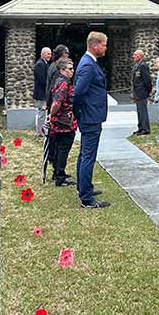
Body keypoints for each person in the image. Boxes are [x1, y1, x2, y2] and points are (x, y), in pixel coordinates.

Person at [73, 32, 110, 209]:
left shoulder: (88, 62)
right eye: (104, 44)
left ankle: (83, 188)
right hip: (90, 116)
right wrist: (78, 113)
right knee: (89, 156)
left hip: (90, 115)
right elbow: (78, 93)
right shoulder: (88, 65)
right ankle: (86, 198)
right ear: (95, 45)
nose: (105, 48)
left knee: (84, 154)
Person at [48, 58, 78, 187]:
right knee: (63, 149)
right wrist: (51, 114)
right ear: (62, 70)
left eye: (72, 68)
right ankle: (60, 176)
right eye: (70, 69)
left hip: (62, 120)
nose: (72, 71)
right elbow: (57, 102)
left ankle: (58, 172)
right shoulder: (63, 83)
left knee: (59, 147)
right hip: (64, 122)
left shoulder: (61, 81)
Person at [131, 49, 152, 135]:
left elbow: (147, 80)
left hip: (142, 92)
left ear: (140, 56)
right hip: (137, 92)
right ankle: (141, 127)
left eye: (135, 55)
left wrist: (148, 91)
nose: (133, 56)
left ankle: (145, 129)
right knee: (139, 111)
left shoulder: (143, 65)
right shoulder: (137, 65)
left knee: (143, 111)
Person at [33, 46, 52, 137]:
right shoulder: (40, 64)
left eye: (50, 54)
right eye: (48, 54)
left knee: (43, 114)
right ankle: (39, 133)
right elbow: (43, 80)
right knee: (41, 113)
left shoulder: (45, 63)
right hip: (41, 94)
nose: (50, 55)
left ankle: (42, 131)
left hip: (44, 94)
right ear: (43, 54)